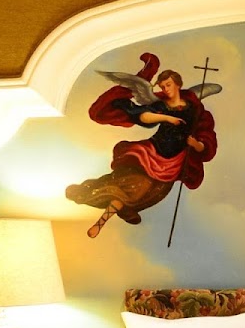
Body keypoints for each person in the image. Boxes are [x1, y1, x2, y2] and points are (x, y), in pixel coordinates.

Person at [66, 69, 218, 237]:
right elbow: (144, 116)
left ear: (178, 84)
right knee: (133, 187)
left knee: (152, 194)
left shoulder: (194, 110)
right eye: (162, 86)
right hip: (150, 154)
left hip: (173, 163)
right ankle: (101, 222)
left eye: (168, 85)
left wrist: (196, 144)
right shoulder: (162, 105)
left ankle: (116, 214)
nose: (165, 89)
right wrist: (166, 118)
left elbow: (205, 139)